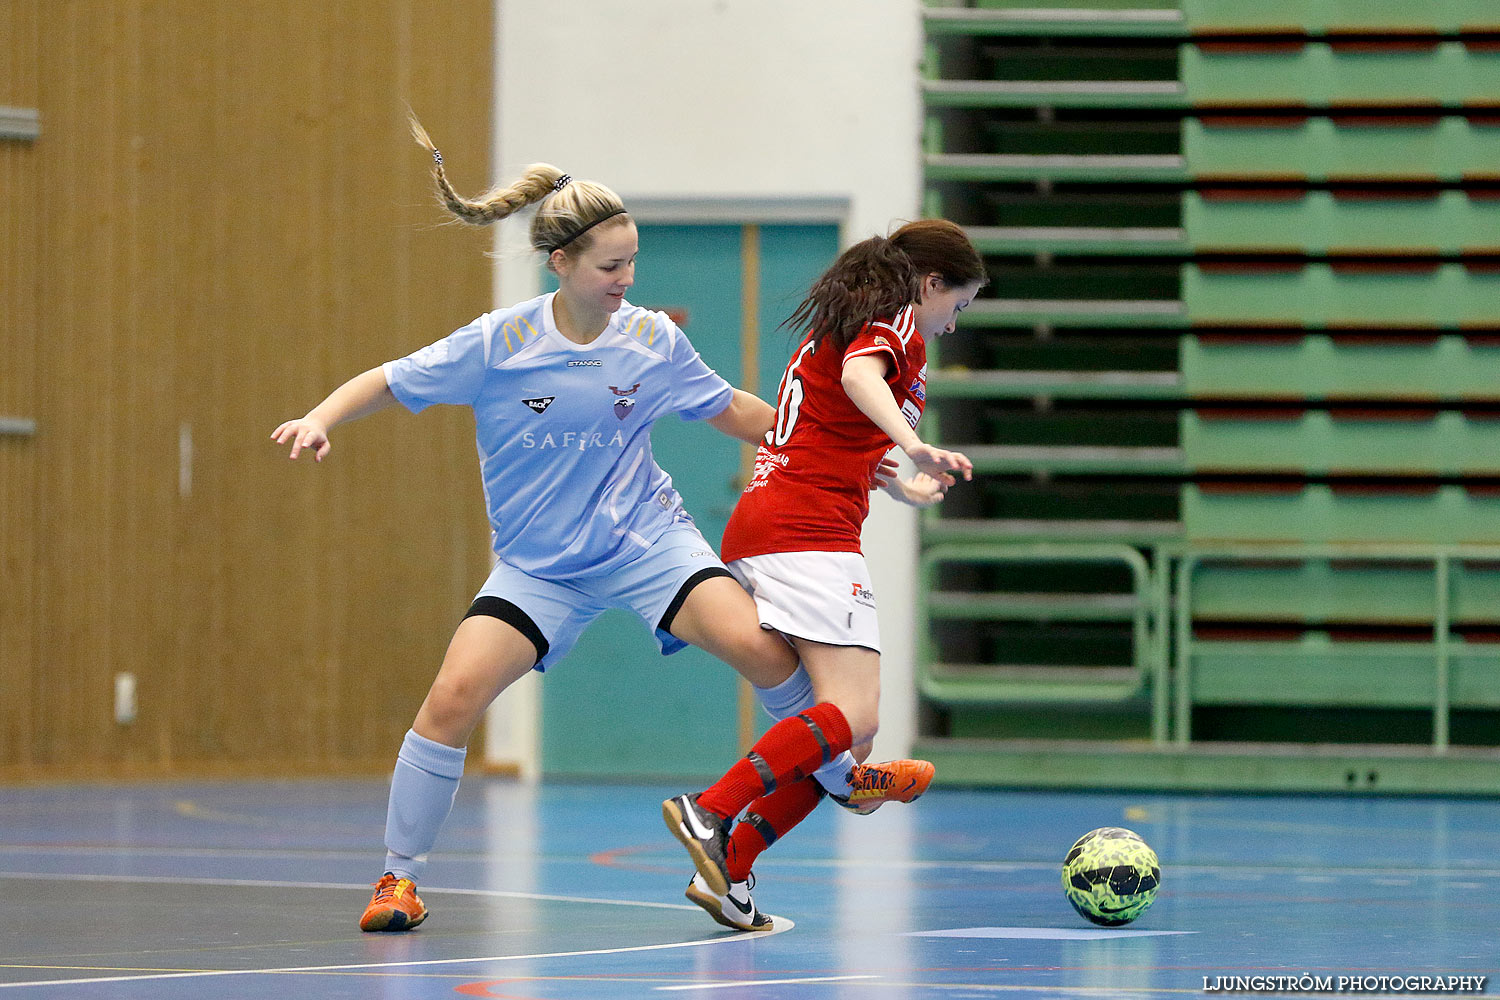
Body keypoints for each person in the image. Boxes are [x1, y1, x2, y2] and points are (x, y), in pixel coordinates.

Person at [272, 121, 924, 934]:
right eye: (612, 266)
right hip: (539, 568)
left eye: (633, 262)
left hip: (648, 543)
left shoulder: (653, 339)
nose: (627, 278)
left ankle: (842, 776)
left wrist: (851, 458)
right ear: (561, 264)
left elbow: (740, 411)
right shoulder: (498, 343)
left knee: (764, 651)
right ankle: (397, 880)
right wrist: (321, 415)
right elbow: (388, 379)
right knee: (452, 697)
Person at [663, 219, 986, 921]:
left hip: (774, 521)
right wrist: (916, 443)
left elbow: (830, 431)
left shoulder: (851, 319)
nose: (953, 325)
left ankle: (731, 868)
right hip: (806, 532)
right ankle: (712, 811)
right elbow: (857, 377)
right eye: (957, 306)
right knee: (855, 715)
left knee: (848, 739)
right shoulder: (895, 321)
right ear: (931, 285)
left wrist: (897, 480)